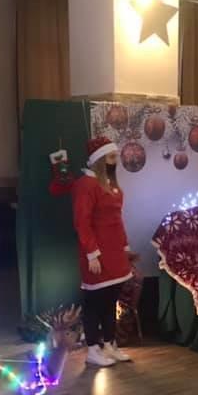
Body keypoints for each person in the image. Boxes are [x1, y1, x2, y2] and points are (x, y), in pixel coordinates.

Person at [72, 136, 135, 367]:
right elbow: (82, 222)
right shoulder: (85, 185)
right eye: (111, 157)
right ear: (99, 160)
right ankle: (92, 348)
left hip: (115, 252)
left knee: (110, 301)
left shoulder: (111, 185)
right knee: (94, 302)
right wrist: (92, 253)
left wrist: (125, 246)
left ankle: (110, 343)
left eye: (115, 156)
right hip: (97, 255)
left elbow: (117, 220)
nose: (115, 161)